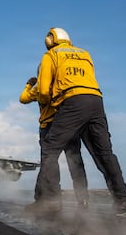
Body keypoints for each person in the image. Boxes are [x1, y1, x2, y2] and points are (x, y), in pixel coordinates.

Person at [26, 27, 126, 213]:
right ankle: (121, 198)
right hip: (96, 101)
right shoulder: (85, 54)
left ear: (50, 40)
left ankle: (50, 201)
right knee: (103, 153)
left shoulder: (50, 55)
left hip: (72, 102)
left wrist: (48, 102)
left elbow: (42, 91)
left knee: (50, 150)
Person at [20, 73, 89, 208]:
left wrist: (29, 84)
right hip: (69, 125)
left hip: (49, 127)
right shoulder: (63, 84)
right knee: (75, 162)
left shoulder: (40, 88)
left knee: (48, 162)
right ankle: (83, 200)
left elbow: (23, 98)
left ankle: (50, 200)